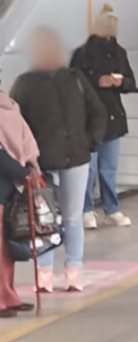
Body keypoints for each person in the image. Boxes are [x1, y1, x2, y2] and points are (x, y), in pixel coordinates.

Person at [11, 27, 107, 292]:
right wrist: (27, 158)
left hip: (77, 157)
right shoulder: (25, 83)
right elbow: (15, 124)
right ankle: (44, 272)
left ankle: (73, 269)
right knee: (44, 219)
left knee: (73, 217)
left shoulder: (75, 78)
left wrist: (91, 140)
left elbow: (97, 111)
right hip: (41, 163)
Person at [70, 3, 133, 230]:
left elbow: (131, 83)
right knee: (89, 169)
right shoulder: (82, 53)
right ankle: (86, 209)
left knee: (108, 168)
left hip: (114, 118)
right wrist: (97, 82)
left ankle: (111, 208)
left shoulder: (120, 52)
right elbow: (73, 82)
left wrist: (119, 82)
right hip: (90, 119)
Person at [0, 91, 41, 315]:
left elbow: (24, 139)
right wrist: (24, 172)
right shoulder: (10, 106)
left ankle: (8, 295)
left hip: (9, 184)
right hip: (9, 179)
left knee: (6, 247)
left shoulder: (10, 106)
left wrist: (29, 170)